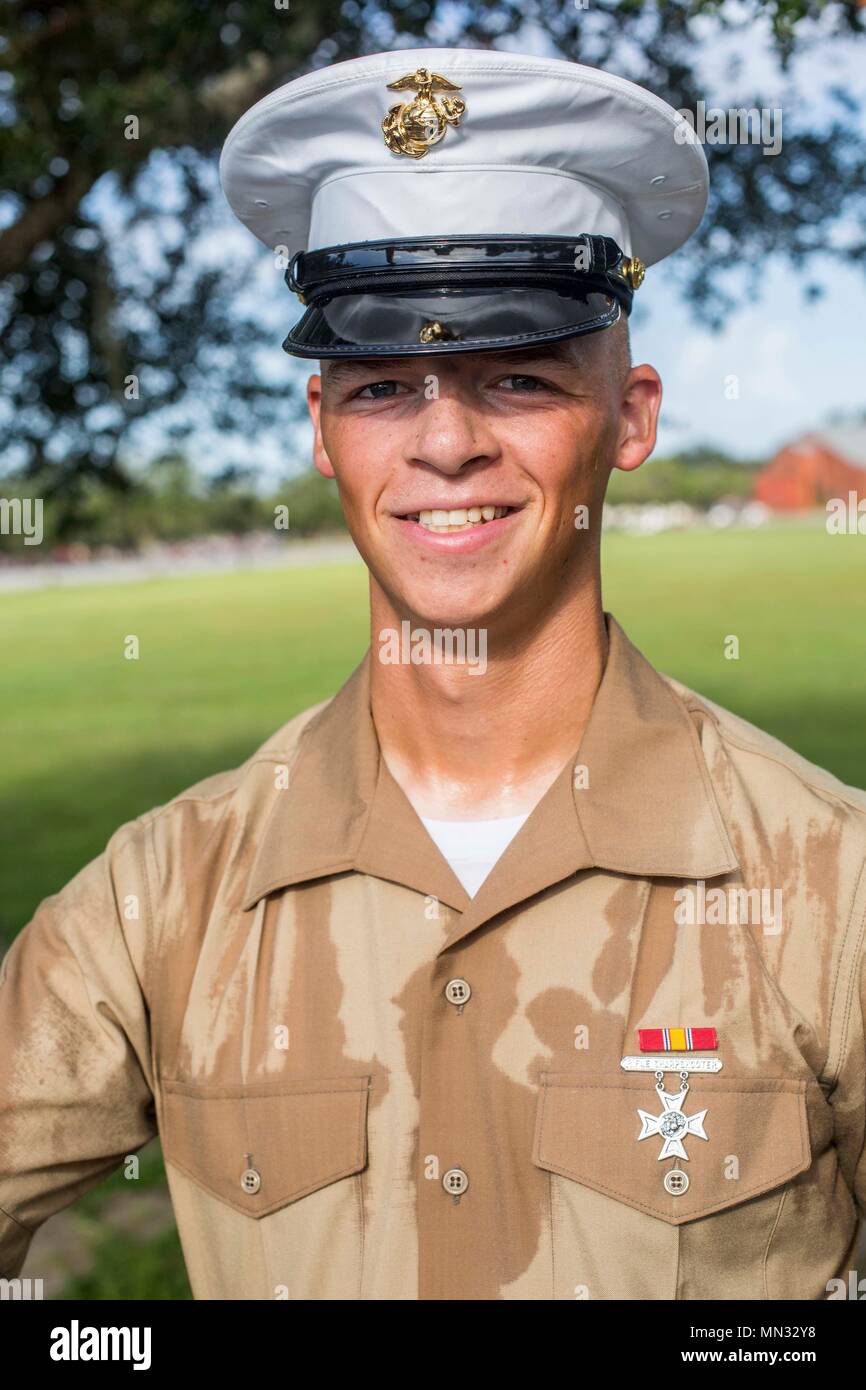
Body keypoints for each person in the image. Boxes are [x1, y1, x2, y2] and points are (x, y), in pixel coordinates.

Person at [2, 47, 865, 1302]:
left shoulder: (827, 890)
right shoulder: (162, 897)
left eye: (514, 376)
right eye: (383, 386)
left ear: (628, 419)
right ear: (318, 428)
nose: (446, 441)